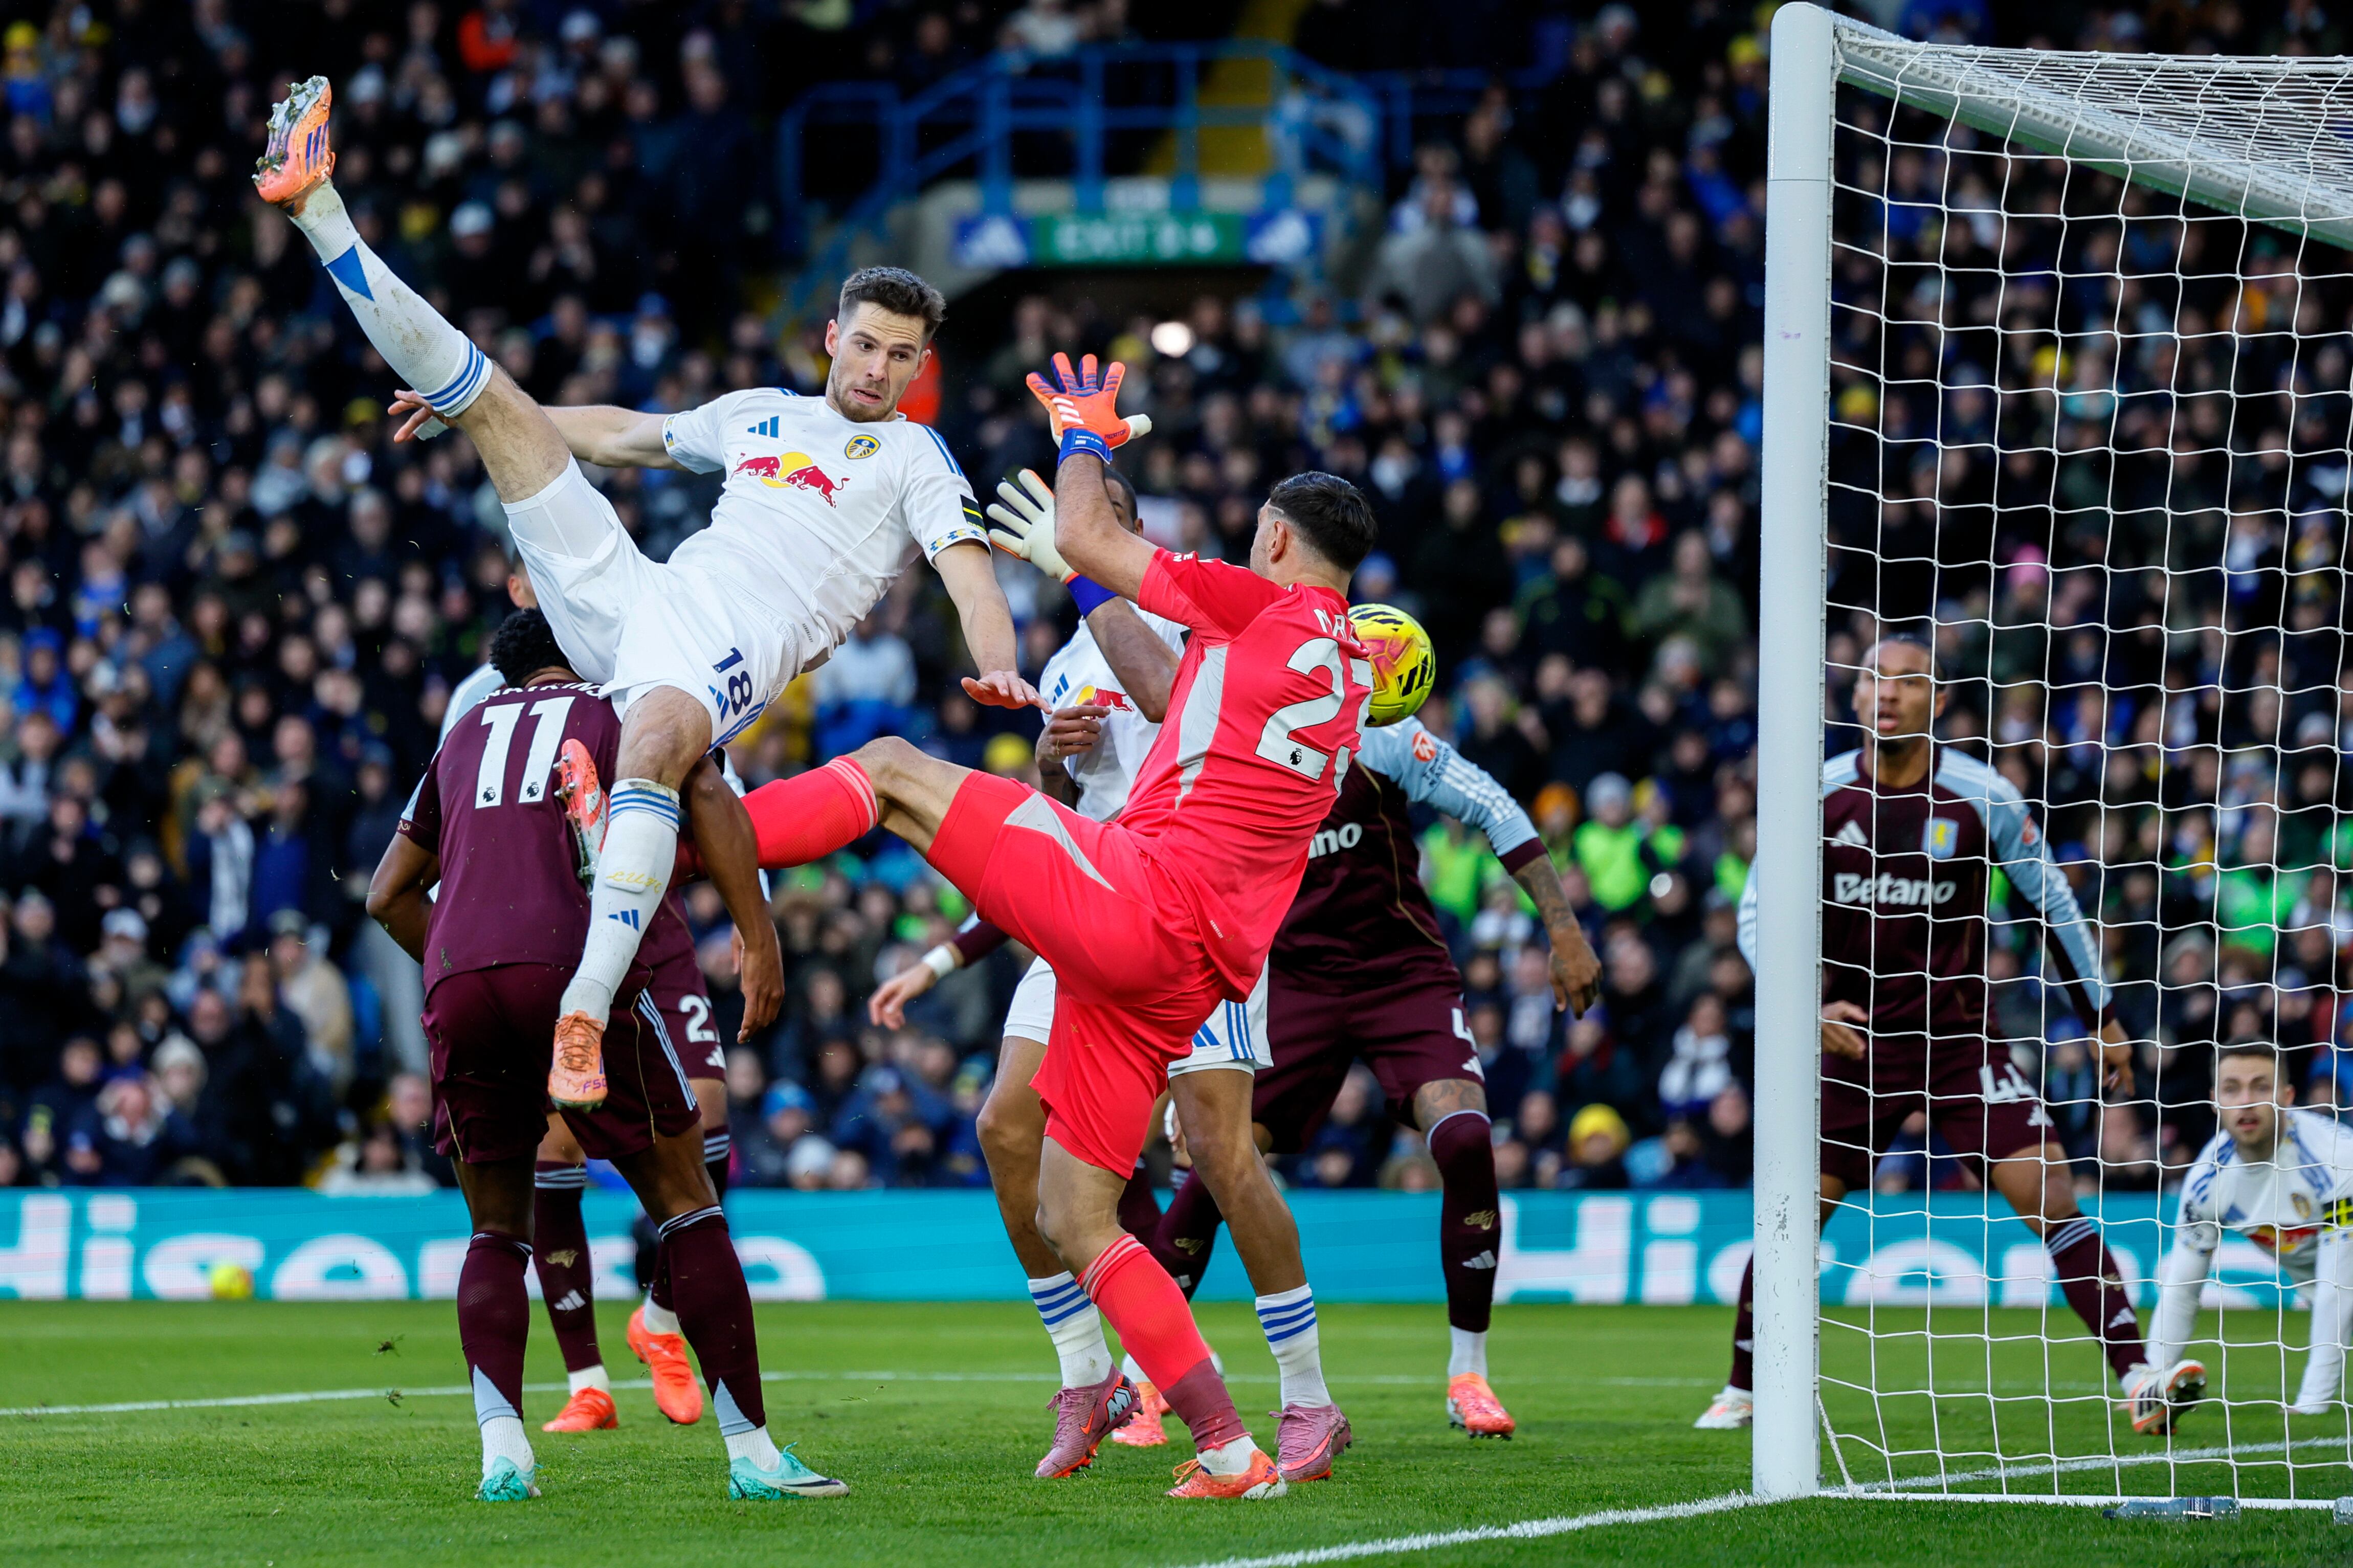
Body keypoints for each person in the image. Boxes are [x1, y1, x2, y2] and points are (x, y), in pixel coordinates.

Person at [255, 78, 1035, 1120]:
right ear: (831, 338)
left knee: (663, 736)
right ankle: (318, 208)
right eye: (864, 343)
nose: (878, 367)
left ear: (919, 365)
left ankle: (580, 1008)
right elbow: (629, 435)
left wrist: (999, 659)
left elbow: (967, 569)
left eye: (901, 354)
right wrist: (471, 418)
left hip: (731, 648)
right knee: (494, 404)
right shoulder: (759, 414)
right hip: (639, 598)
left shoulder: (914, 457)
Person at [729, 356, 1375, 1500]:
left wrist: (1083, 438)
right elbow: (1181, 694)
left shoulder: (1259, 605)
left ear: (1273, 539)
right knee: (1074, 1211)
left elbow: (1084, 539)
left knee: (887, 771)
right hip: (1187, 964)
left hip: (1140, 891)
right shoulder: (1347, 674)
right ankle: (1230, 1450)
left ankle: (669, 831)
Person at [870, 463, 1351, 1484]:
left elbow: (1168, 691)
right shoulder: (1060, 668)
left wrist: (1085, 570)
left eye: (1094, 525)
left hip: (1187, 910)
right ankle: (1090, 1373)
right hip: (1092, 895)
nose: (1077, 534)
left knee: (1216, 1152)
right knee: (1004, 1125)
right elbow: (1063, 801)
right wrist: (1047, 757)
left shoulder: (1212, 613)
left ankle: (1307, 1399)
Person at [364, 610, 840, 1503]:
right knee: (687, 1206)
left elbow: (387, 894)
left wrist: (466, 966)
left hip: (459, 978)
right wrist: (757, 935)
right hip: (575, 968)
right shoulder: (624, 705)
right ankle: (754, 1455)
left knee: (495, 1231)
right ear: (582, 649)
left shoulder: (464, 731)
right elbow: (706, 796)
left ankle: (503, 1453)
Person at [1696, 636, 2191, 1436]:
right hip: (1854, 1042)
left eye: (1908, 681)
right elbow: (1759, 913)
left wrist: (2100, 1015)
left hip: (1962, 1040)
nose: (1887, 693)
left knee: (2051, 1194)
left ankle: (2138, 1375)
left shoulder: (1980, 793)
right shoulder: (1816, 795)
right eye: (1873, 680)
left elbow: (2050, 905)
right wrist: (1806, 1014)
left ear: (1939, 701)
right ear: (1853, 699)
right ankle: (1744, 1386)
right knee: (1793, 1213)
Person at [1140, 674, 1604, 1440]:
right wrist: (1195, 1054)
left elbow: (1494, 805)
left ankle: (1470, 1373)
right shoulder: (1231, 751)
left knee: (1464, 1138)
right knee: (1218, 1164)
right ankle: (1145, 1377)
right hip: (1289, 989)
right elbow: (1196, 898)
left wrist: (1563, 929)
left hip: (1400, 976)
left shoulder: (1383, 736)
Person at [431, 552, 748, 1434]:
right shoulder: (474, 705)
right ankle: (588, 1382)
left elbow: (720, 794)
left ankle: (661, 1318)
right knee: (556, 1144)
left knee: (709, 1126)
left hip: (656, 920)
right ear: (521, 589)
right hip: (547, 937)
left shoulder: (637, 659)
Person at [2149, 1041, 2353, 1418]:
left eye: (2261, 1087)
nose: (2246, 1102)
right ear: (2215, 1100)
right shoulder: (2206, 1182)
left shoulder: (2338, 1160)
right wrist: (2150, 1384)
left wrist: (2312, 1403)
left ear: (2288, 1095)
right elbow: (2180, 1290)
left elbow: (2337, 1292)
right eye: (2232, 1089)